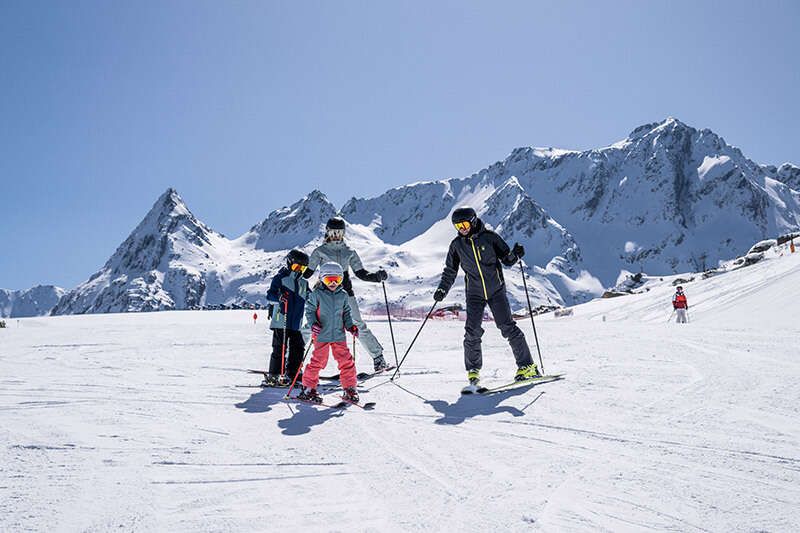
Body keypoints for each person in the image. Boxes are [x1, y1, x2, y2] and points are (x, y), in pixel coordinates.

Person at [434, 206, 538, 389]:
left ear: (473, 221)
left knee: (507, 327)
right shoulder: (457, 246)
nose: (462, 228)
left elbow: (507, 260)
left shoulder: (490, 238)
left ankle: (527, 366)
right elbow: (450, 271)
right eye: (458, 226)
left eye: (465, 224)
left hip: (496, 290)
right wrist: (443, 289)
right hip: (474, 294)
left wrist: (516, 254)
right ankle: (473, 371)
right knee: (471, 331)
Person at [303, 217, 390, 372]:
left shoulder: (349, 252)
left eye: (339, 232)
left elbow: (361, 273)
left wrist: (376, 277)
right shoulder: (320, 251)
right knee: (311, 325)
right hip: (323, 294)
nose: (336, 235)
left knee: (357, 324)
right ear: (327, 233)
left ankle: (378, 358)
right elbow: (307, 273)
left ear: (343, 233)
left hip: (345, 294)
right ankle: (292, 359)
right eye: (333, 232)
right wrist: (292, 272)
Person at [298, 262, 360, 404]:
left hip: (338, 334)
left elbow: (346, 313)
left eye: (336, 280)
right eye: (328, 280)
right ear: (321, 279)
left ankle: (349, 388)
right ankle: (308, 388)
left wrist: (351, 326)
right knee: (318, 361)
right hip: (322, 334)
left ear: (341, 280)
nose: (332, 283)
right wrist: (313, 324)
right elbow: (310, 310)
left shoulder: (343, 295)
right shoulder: (317, 294)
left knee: (346, 361)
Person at [263, 249, 310, 386]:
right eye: (296, 267)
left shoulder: (304, 283)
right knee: (280, 348)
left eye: (303, 268)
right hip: (281, 321)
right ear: (289, 263)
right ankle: (275, 374)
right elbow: (269, 295)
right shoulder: (280, 278)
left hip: (296, 323)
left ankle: (293, 374)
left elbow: (311, 297)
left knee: (298, 348)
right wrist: (279, 297)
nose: (299, 270)